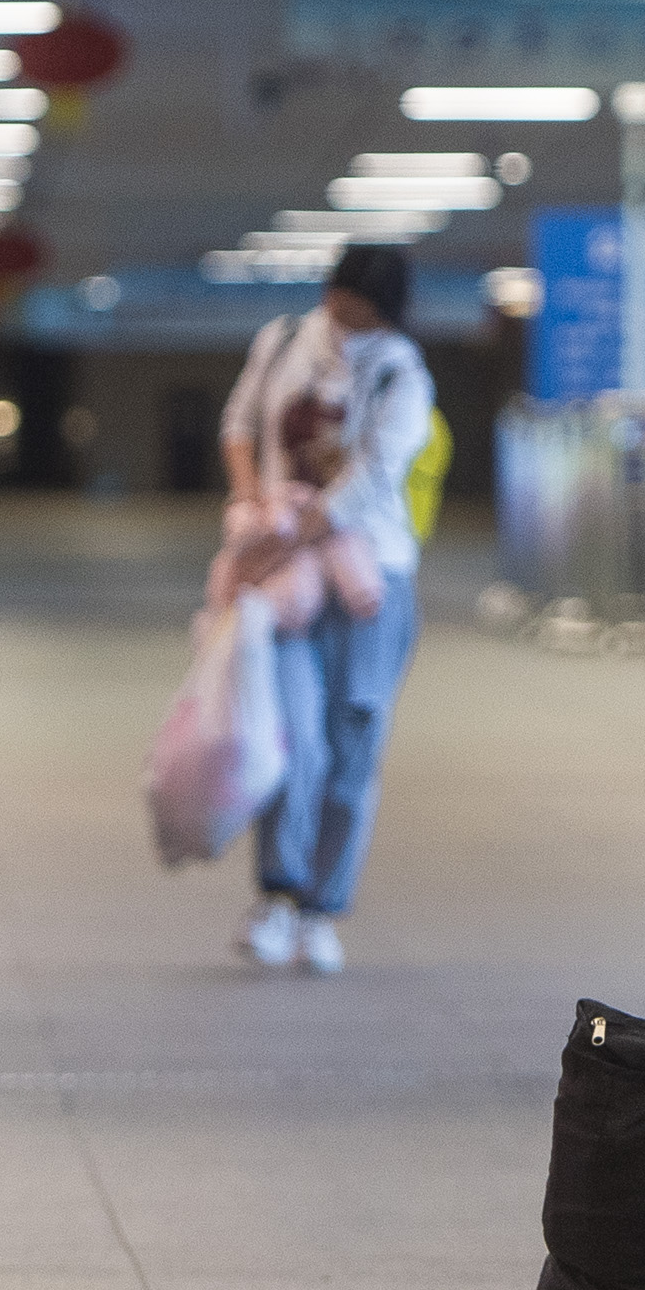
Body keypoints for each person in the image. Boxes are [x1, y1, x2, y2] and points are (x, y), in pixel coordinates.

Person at [215, 246, 434, 977]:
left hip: (371, 575)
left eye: (361, 311)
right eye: (339, 302)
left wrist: (293, 532)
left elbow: (377, 474)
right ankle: (277, 896)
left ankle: (321, 906)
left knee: (351, 744)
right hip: (286, 574)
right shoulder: (283, 341)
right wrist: (253, 505)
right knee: (291, 736)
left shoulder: (402, 370)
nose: (345, 319)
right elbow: (239, 425)